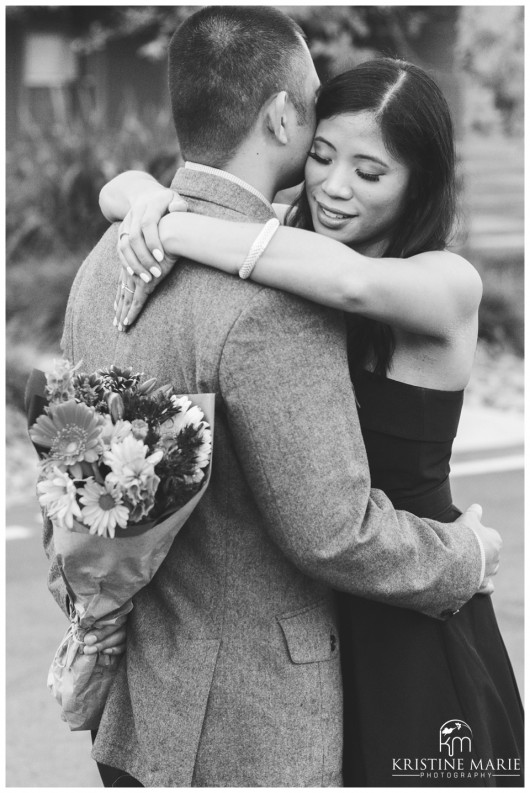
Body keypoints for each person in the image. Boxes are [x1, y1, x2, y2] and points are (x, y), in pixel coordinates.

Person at [49, 8, 502, 787]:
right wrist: (467, 553)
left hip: (151, 711)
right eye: (324, 149)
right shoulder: (271, 299)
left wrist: (155, 206)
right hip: (256, 719)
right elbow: (334, 535)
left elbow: (352, 281)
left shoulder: (110, 259)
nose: (333, 182)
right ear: (287, 116)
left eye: (370, 170)